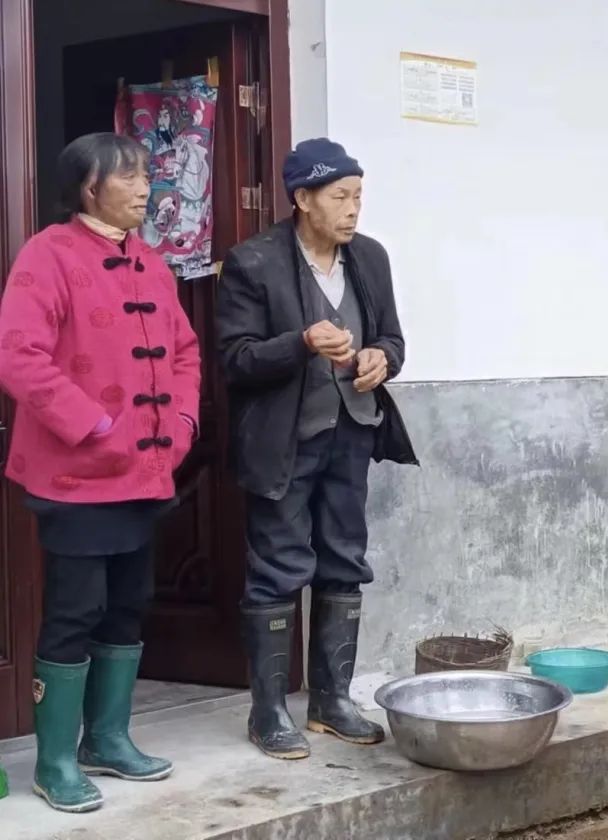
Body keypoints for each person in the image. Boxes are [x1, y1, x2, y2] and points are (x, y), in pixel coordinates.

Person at [0, 133, 201, 812]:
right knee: (75, 612)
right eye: (129, 177)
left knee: (127, 604)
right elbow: (18, 354)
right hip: (75, 478)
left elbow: (184, 353)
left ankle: (107, 740)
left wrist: (181, 425)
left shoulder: (152, 262)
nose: (145, 187)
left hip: (146, 473)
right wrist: (92, 424)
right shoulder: (47, 254)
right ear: (89, 188)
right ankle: (55, 760)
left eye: (146, 175)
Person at [216, 138, 416, 760]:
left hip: (351, 431)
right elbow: (235, 359)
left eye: (358, 196)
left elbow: (392, 339)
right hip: (284, 441)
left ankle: (331, 700)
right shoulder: (254, 262)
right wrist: (300, 343)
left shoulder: (370, 258)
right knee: (278, 565)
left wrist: (382, 358)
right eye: (340, 197)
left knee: (344, 560)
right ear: (303, 199)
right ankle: (269, 710)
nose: (353, 209)